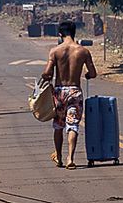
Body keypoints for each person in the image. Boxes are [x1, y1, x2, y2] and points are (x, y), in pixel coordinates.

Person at [42, 19, 97, 169]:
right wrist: (86, 75)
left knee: (58, 126)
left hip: (59, 92)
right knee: (72, 125)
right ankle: (70, 158)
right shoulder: (83, 51)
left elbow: (47, 73)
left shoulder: (55, 51)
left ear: (60, 34)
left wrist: (47, 76)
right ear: (74, 33)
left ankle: (58, 157)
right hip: (75, 91)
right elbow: (93, 73)